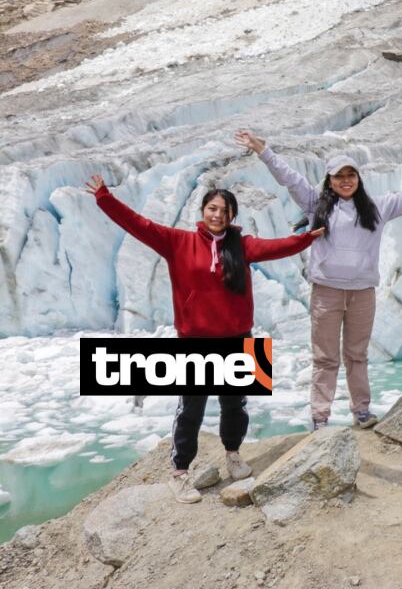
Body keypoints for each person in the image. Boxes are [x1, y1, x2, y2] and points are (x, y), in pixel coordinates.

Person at [85, 175, 323, 503]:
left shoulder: (242, 245)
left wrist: (308, 238)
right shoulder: (177, 242)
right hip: (194, 340)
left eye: (225, 210)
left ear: (232, 215)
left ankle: (233, 455)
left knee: (236, 405)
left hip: (239, 337)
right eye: (213, 208)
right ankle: (180, 473)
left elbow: (278, 246)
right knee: (190, 410)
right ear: (203, 210)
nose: (218, 215)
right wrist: (104, 198)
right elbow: (138, 224)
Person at [234, 130, 402, 430]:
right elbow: (289, 178)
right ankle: (320, 416)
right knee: (325, 357)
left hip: (361, 293)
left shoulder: (377, 207)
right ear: (329, 180)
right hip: (326, 292)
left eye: (350, 175)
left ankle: (361, 411)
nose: (345, 181)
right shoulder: (315, 204)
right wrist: (262, 150)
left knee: (357, 355)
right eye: (339, 176)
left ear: (358, 178)